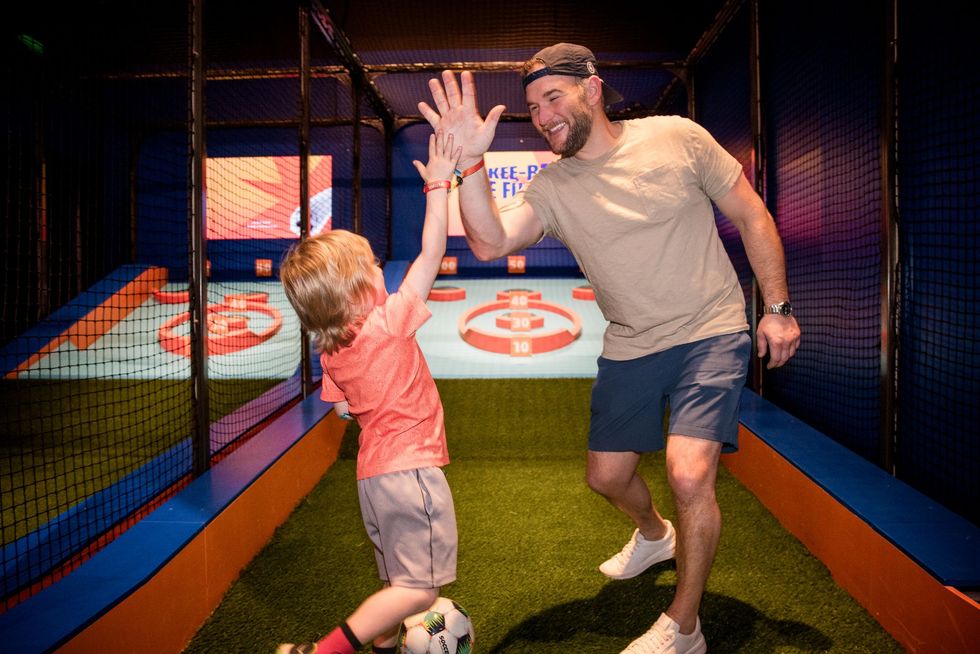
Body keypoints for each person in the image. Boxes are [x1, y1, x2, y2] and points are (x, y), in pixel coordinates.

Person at [418, 43, 801, 654]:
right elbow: (489, 242)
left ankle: (685, 625)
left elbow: (752, 215)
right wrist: (468, 164)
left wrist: (777, 308)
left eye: (553, 98)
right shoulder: (554, 185)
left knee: (688, 471)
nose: (542, 116)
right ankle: (655, 536)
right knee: (606, 477)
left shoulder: (677, 136)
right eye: (533, 107)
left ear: (592, 89)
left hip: (711, 328)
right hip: (631, 342)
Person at [275, 130, 463, 654]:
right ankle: (326, 650)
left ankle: (383, 645)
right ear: (360, 290)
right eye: (375, 267)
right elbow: (433, 250)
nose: (383, 271)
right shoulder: (388, 322)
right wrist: (439, 186)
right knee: (419, 588)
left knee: (396, 580)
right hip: (410, 471)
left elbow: (338, 411)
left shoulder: (331, 351)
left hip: (373, 477)